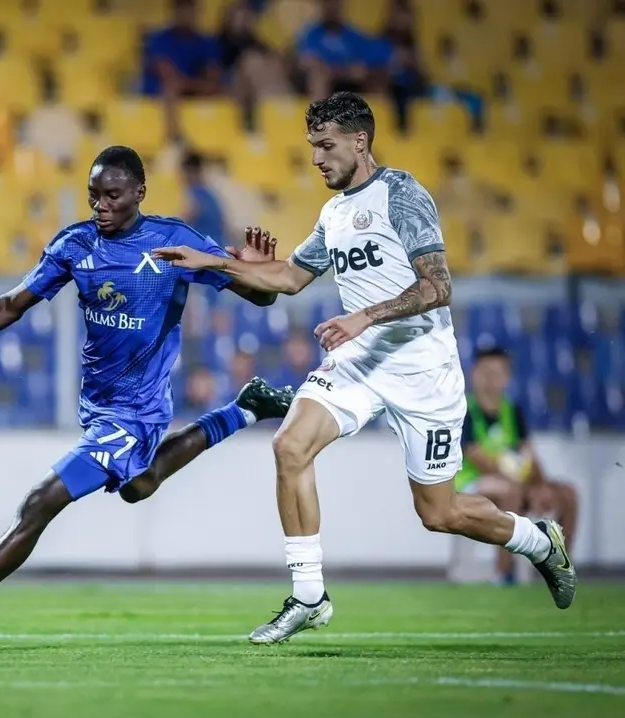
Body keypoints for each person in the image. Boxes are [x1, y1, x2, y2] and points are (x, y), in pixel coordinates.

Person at [153, 92, 575, 644]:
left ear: (360, 141)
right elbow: (288, 278)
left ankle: (540, 542)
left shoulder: (401, 194)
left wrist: (365, 316)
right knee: (290, 445)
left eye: (326, 146)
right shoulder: (334, 213)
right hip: (359, 362)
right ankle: (309, 596)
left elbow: (438, 286)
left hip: (423, 370)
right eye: (312, 146)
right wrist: (212, 263)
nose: (316, 158)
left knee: (440, 513)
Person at [0, 146, 294, 649]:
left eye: (112, 195)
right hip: (98, 406)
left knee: (41, 502)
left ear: (139, 193)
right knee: (139, 485)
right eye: (93, 195)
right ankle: (245, 408)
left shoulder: (173, 241)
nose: (100, 205)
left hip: (138, 411)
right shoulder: (75, 244)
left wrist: (255, 274)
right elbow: (11, 305)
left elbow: (260, 296)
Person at [457, 345, 579, 585]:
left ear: (507, 377)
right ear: (474, 375)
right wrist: (525, 487)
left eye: (497, 373)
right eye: (485, 373)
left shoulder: (512, 410)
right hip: (472, 484)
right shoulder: (464, 410)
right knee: (511, 492)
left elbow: (528, 455)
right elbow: (479, 460)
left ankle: (560, 569)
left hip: (513, 481)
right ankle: (503, 572)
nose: (490, 380)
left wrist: (539, 485)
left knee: (567, 493)